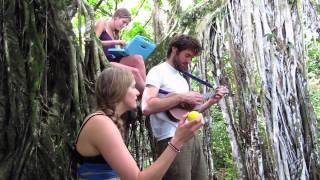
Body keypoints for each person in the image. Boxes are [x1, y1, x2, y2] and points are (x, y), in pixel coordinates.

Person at [74, 67, 204, 180]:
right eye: (132, 87)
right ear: (119, 90)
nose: (137, 92)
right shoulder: (100, 123)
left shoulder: (105, 121)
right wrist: (177, 141)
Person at [141, 35, 227, 180]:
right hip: (170, 138)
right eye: (187, 55)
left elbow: (186, 114)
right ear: (174, 49)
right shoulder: (158, 71)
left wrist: (210, 101)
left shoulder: (182, 79)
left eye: (191, 57)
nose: (188, 61)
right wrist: (181, 97)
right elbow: (147, 106)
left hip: (191, 136)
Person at [95, 8, 146, 93]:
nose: (124, 25)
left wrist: (125, 50)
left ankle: (144, 90)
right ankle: (148, 96)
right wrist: (116, 41)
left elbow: (113, 51)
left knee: (138, 58)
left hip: (115, 60)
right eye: (124, 22)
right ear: (116, 17)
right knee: (135, 72)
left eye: (126, 24)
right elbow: (94, 41)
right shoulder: (102, 22)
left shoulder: (115, 33)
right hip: (106, 62)